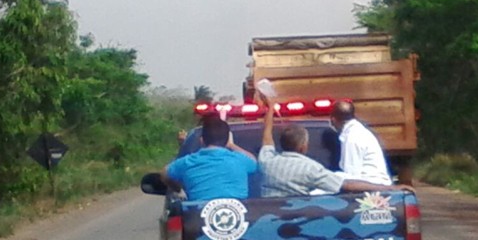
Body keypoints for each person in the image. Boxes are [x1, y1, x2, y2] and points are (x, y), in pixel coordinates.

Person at [258, 96, 413, 197]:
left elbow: (266, 136)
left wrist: (270, 108)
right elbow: (349, 182)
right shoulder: (311, 169)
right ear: (303, 147)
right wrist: (391, 189)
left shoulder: (266, 162)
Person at [161, 116, 257, 200]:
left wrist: (178, 190)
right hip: (240, 216)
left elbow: (164, 173)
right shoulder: (240, 160)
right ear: (227, 140)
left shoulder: (188, 162)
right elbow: (253, 161)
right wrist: (231, 145)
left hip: (197, 217)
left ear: (202, 141)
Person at [330, 100, 392, 185]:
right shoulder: (358, 132)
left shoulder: (352, 137)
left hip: (372, 185)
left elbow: (352, 174)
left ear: (333, 120)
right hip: (375, 183)